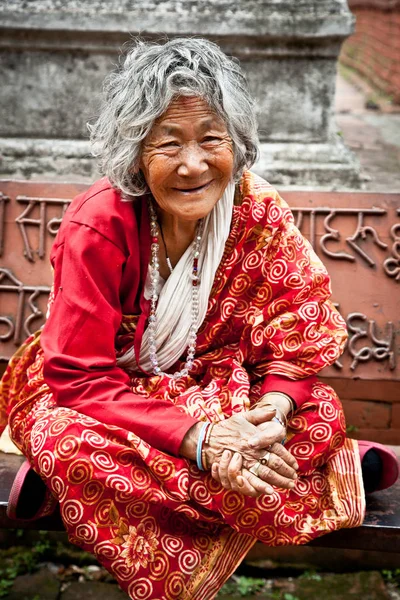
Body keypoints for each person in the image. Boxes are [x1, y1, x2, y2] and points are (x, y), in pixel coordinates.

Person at [0, 37, 398, 600]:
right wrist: (201, 441)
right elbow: (79, 378)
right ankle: (301, 477)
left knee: (316, 413)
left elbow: (297, 320)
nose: (193, 164)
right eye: (168, 144)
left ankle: (78, 485)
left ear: (236, 143)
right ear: (137, 151)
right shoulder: (99, 226)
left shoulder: (255, 210)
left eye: (211, 138)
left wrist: (271, 412)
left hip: (208, 381)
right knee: (68, 441)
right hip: (102, 397)